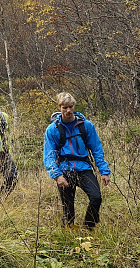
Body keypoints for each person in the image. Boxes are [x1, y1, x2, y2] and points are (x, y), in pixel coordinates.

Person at [42, 92, 111, 229]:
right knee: (68, 211)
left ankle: (88, 228)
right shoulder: (52, 129)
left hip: (84, 168)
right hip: (64, 171)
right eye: (65, 107)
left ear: (74, 106)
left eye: (71, 107)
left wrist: (104, 171)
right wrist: (58, 176)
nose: (68, 111)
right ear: (59, 107)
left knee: (96, 197)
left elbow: (96, 149)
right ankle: (68, 238)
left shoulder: (86, 126)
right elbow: (49, 155)